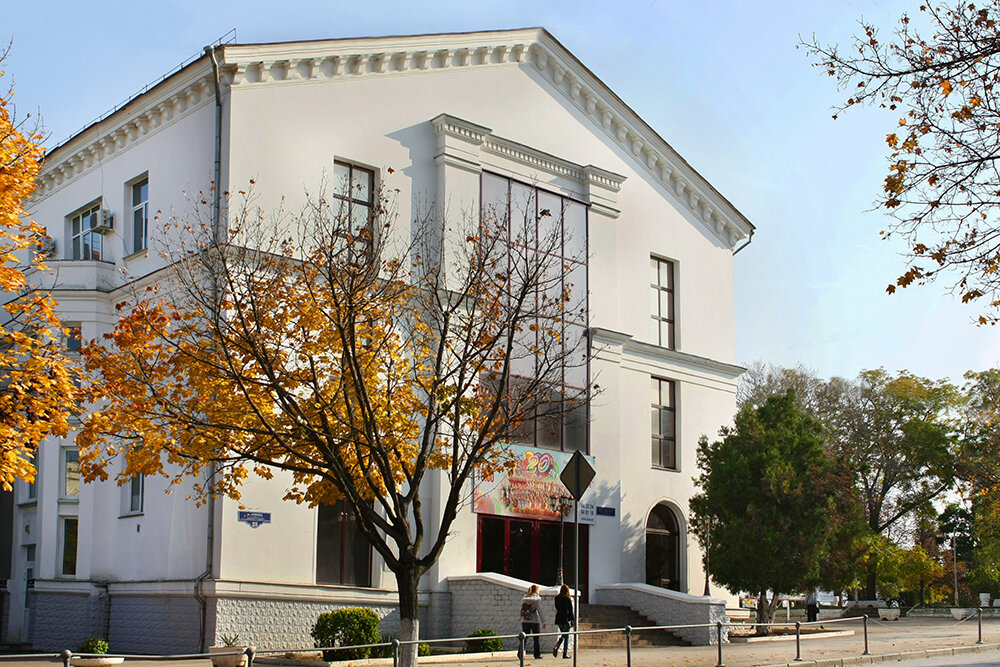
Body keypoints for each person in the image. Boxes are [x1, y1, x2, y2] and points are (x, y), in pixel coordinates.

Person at [518, 584, 546, 659]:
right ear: (536, 590)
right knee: (536, 638)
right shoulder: (537, 599)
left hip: (525, 621)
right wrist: (544, 621)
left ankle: (520, 653)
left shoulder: (525, 598)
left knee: (524, 638)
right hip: (534, 621)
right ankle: (537, 654)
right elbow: (540, 611)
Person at [552, 583, 574, 659]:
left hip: (559, 618)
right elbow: (570, 610)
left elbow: (557, 607)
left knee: (564, 634)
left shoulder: (556, 598)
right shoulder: (567, 599)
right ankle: (564, 653)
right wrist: (572, 620)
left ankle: (557, 646)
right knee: (566, 636)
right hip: (566, 619)